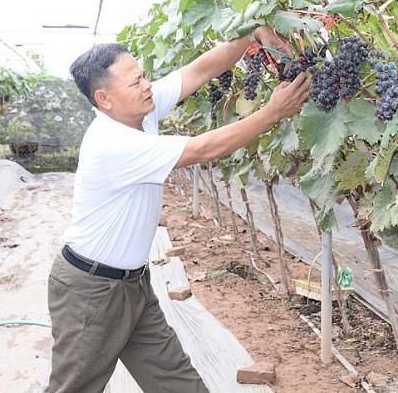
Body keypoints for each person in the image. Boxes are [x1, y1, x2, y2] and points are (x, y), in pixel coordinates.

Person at [47, 26, 311, 392]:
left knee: (179, 384)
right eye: (134, 82)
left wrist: (253, 35)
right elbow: (202, 150)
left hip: (132, 283)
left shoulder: (140, 112)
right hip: (91, 292)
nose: (146, 85)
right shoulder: (112, 142)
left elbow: (201, 71)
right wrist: (273, 112)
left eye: (143, 76)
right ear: (104, 99)